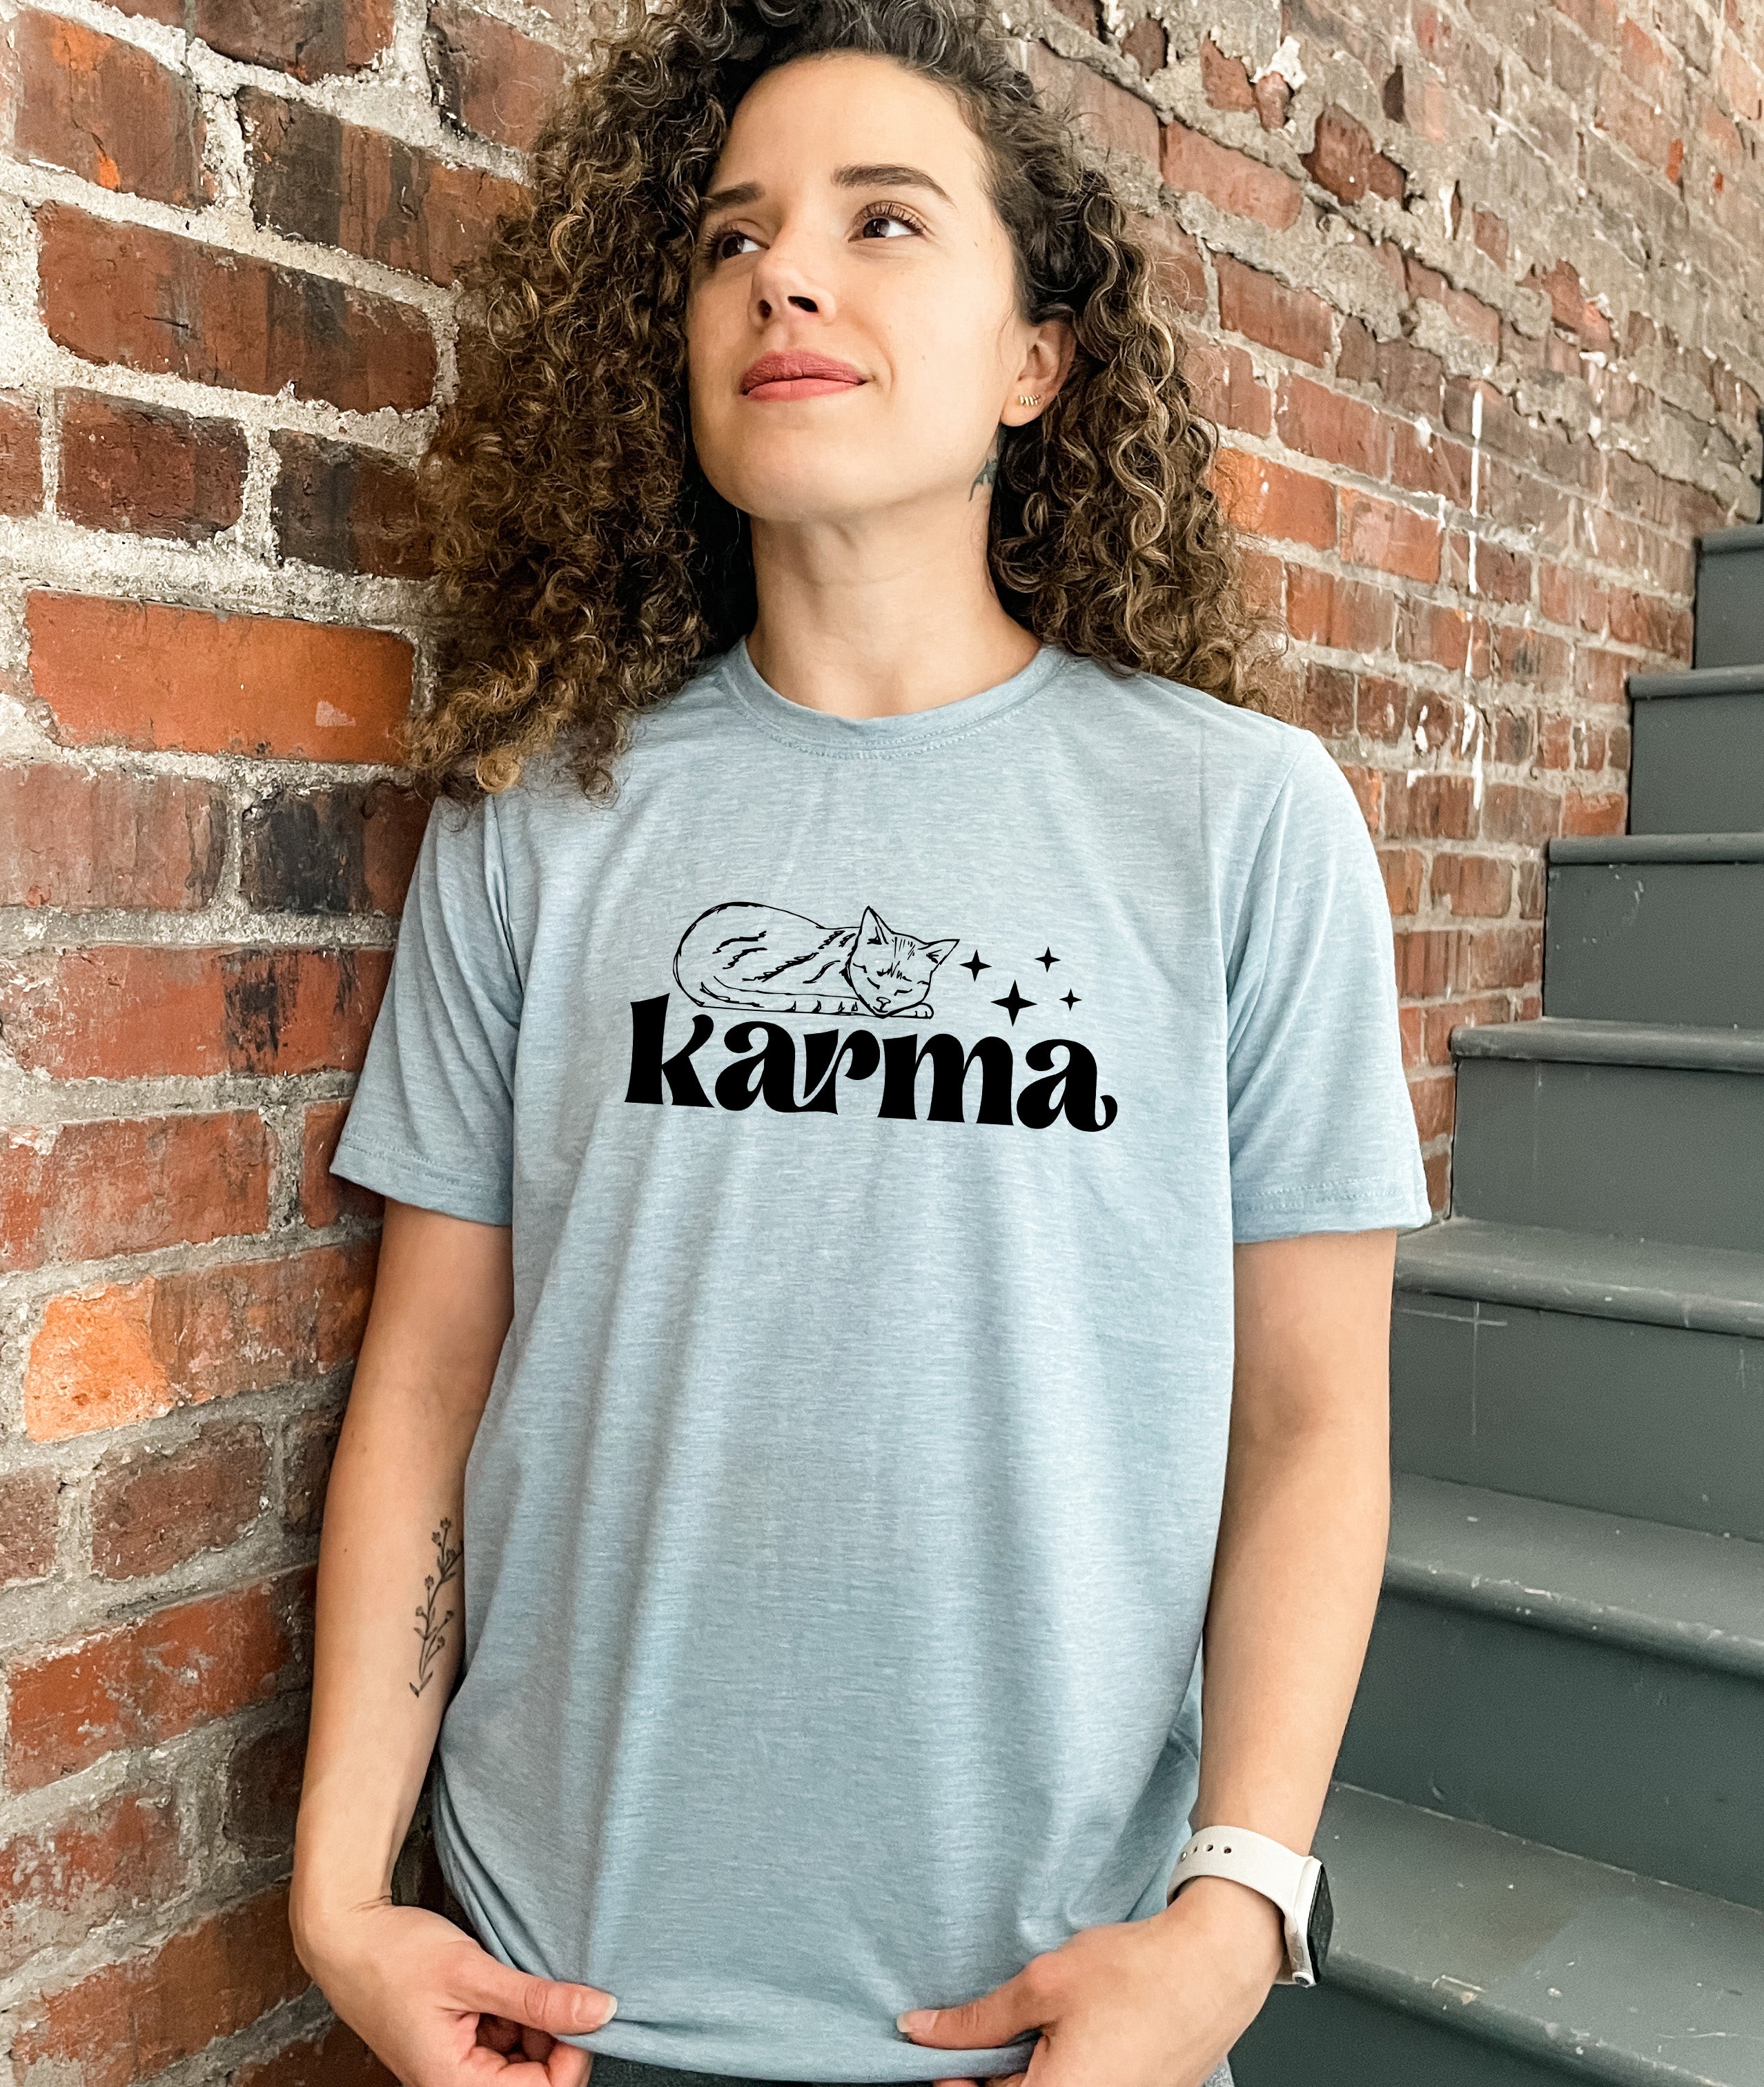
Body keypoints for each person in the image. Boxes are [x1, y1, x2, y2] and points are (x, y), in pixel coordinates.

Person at [288, 0, 1433, 2083]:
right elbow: (433, 1376)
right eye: (732, 238)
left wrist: (1236, 1917)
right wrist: (343, 1897)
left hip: (1045, 2025)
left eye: (883, 221)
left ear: (1034, 362)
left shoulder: (1240, 821)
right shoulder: (540, 816)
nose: (786, 276)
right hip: (559, 2012)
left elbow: (1309, 1422)